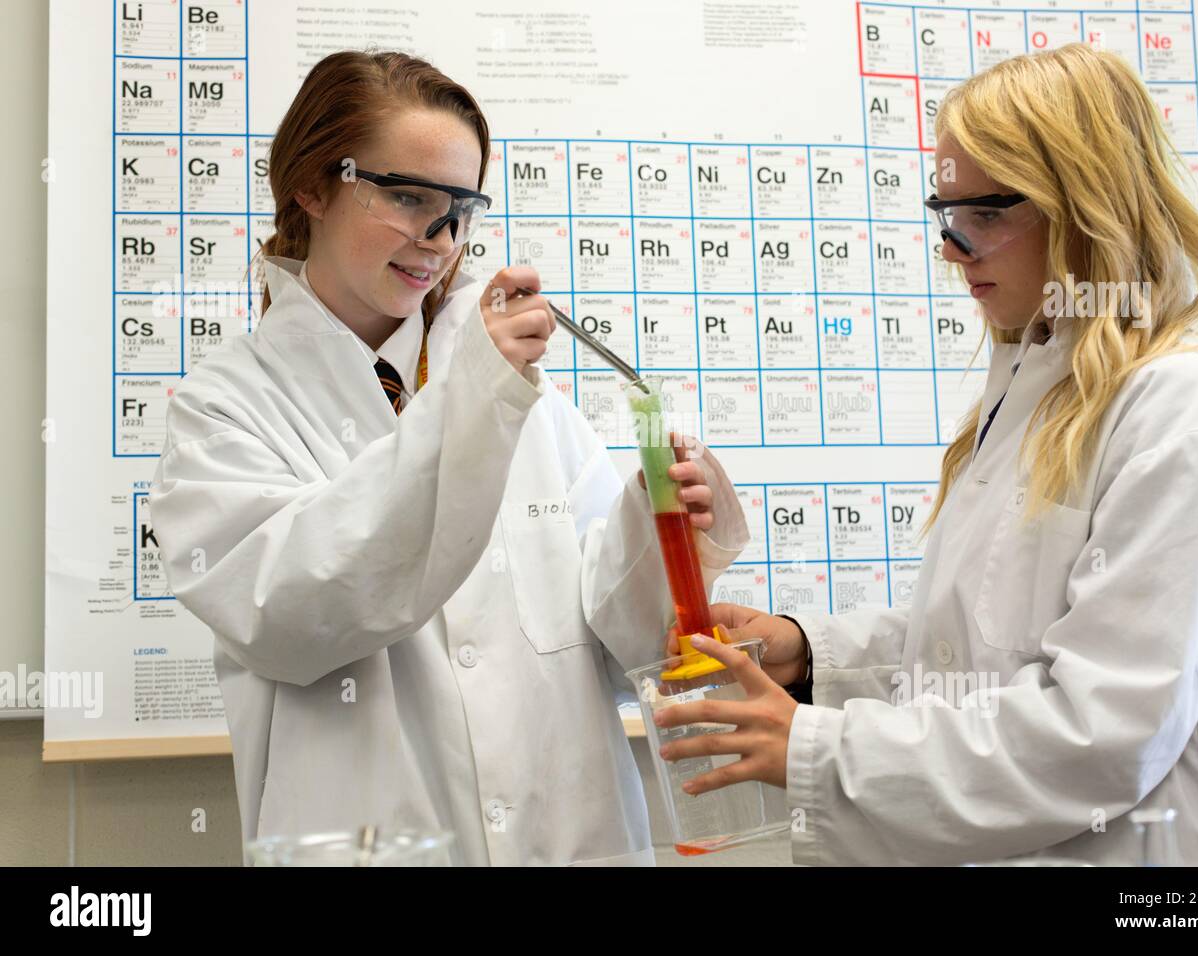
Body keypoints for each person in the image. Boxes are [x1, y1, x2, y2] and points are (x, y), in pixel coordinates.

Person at [655, 44, 1198, 866]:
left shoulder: (1182, 411)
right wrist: (813, 651)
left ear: (1086, 206)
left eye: (986, 216)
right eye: (946, 214)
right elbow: (983, 641)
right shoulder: (1036, 389)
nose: (951, 249)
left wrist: (818, 748)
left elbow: (1101, 731)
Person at [148, 50, 748, 866]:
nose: (442, 239)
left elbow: (625, 648)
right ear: (313, 186)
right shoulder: (225, 410)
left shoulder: (528, 406)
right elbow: (297, 614)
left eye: (461, 207)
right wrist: (470, 408)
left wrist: (659, 525)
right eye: (407, 197)